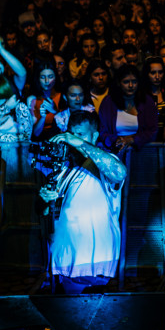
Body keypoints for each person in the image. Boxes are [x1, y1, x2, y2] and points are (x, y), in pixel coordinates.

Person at [39, 112, 126, 294]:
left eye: (81, 135)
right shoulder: (64, 169)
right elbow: (45, 213)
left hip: (92, 262)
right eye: (71, 134)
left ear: (94, 136)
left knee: (91, 315)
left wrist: (76, 141)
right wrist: (45, 200)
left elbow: (119, 172)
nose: (72, 140)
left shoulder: (103, 162)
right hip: (63, 260)